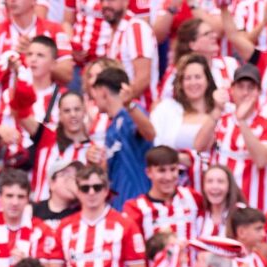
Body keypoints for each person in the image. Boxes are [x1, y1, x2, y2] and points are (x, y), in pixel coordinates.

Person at [195, 63, 267, 212]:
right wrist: (216, 110)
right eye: (240, 87)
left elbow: (261, 160)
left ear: (259, 92)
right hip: (219, 209)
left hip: (252, 209)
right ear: (232, 90)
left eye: (251, 88)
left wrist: (241, 121)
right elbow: (199, 146)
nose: (245, 93)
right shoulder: (221, 120)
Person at [55, 164, 146, 267]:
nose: (91, 193)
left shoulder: (125, 224)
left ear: (105, 190)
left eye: (97, 187)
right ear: (78, 192)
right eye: (85, 188)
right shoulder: (64, 226)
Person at [93, 68, 154, 209]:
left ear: (103, 92)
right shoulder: (113, 125)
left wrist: (130, 105)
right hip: (119, 203)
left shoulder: (131, 113)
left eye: (94, 94)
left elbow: (150, 134)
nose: (93, 99)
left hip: (137, 203)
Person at [123, 145, 204, 243]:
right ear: (148, 172)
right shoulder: (136, 208)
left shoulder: (193, 197)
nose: (168, 177)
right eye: (162, 170)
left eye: (173, 169)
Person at [151, 54, 219, 152]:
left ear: (208, 80)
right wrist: (179, 158)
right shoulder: (165, 109)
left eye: (198, 77)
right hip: (173, 165)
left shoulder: (224, 110)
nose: (193, 83)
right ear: (180, 84)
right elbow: (154, 145)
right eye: (187, 78)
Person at [199, 165, 245, 240]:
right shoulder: (199, 216)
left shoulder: (241, 213)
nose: (215, 186)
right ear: (203, 187)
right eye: (209, 181)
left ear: (229, 187)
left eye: (220, 181)